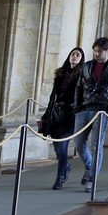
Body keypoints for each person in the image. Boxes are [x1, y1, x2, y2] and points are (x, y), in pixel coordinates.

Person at [74, 37, 108, 191]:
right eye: (95, 51)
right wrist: (77, 107)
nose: (96, 54)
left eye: (99, 51)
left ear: (107, 51)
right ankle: (90, 166)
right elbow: (79, 87)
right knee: (78, 143)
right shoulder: (87, 66)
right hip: (84, 109)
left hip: (101, 111)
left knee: (96, 146)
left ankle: (92, 179)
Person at [40, 46, 83, 190]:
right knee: (57, 147)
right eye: (73, 54)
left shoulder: (82, 75)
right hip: (56, 113)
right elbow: (53, 95)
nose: (74, 56)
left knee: (63, 146)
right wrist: (47, 114)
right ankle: (66, 166)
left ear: (81, 59)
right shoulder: (60, 73)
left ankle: (60, 177)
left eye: (77, 55)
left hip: (70, 114)